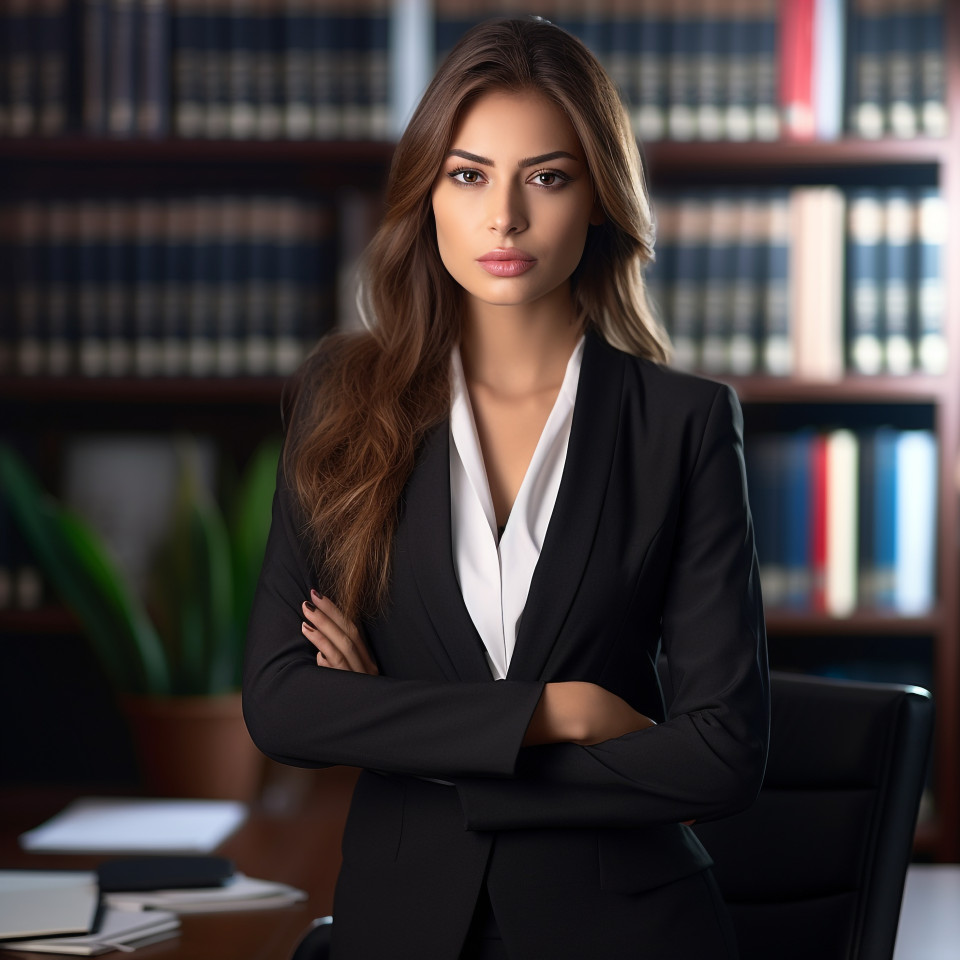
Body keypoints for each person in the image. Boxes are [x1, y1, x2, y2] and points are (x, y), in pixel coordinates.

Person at [242, 17, 768, 960]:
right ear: (427, 193)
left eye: (548, 177)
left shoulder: (681, 425)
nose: (506, 219)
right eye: (470, 173)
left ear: (598, 198)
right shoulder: (343, 402)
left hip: (627, 933)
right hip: (401, 925)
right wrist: (559, 713)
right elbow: (282, 704)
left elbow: (723, 752)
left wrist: (408, 728)